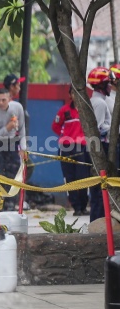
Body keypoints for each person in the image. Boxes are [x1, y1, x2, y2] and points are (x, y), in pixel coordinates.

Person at [52, 86, 90, 216]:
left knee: (83, 178)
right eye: (73, 93)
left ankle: (84, 206)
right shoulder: (64, 110)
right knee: (70, 179)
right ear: (70, 95)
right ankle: (76, 208)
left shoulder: (87, 110)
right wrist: (65, 137)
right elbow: (55, 126)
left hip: (83, 148)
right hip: (67, 148)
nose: (76, 95)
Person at [0, 88, 27, 211]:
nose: (1, 103)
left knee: (13, 174)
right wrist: (7, 128)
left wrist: (23, 148)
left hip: (12, 143)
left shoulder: (18, 108)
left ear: (9, 99)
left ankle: (10, 205)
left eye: (4, 100)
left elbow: (22, 129)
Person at [87, 67, 112, 222]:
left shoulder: (96, 101)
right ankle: (97, 223)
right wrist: (114, 129)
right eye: (108, 83)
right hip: (102, 148)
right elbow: (98, 128)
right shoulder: (100, 104)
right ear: (101, 85)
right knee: (99, 190)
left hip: (99, 147)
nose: (111, 86)